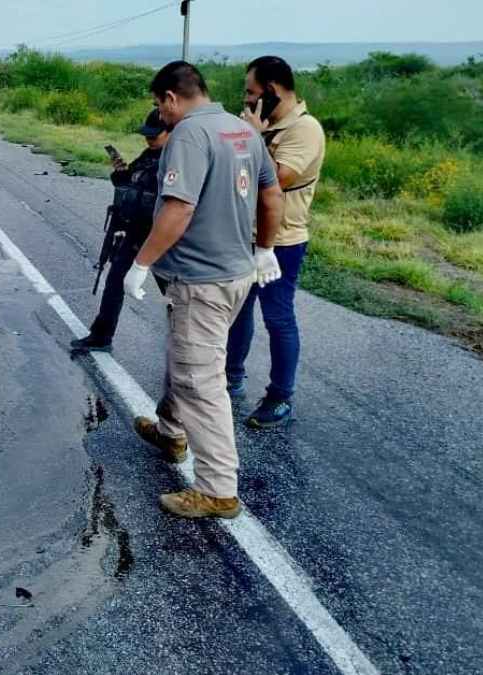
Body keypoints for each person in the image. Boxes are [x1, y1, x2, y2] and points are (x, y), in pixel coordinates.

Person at [124, 61, 285, 519]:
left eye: (160, 105)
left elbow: (178, 209)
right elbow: (271, 194)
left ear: (172, 98)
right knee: (188, 354)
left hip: (201, 281)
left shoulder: (189, 135)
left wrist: (141, 263)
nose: (161, 114)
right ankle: (170, 432)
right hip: (235, 272)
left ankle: (218, 489)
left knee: (200, 378)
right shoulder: (242, 130)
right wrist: (264, 249)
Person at [225, 56, 326, 428]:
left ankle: (280, 397)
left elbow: (278, 178)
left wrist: (252, 137)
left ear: (271, 90)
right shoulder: (262, 124)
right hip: (246, 235)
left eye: (251, 92)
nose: (246, 99)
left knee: (278, 317)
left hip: (282, 241)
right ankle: (230, 377)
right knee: (237, 310)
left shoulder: (304, 129)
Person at [70, 109, 170, 352]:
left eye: (154, 135)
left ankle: (184, 342)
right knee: (115, 280)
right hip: (135, 228)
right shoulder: (148, 154)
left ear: (170, 132)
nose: (148, 139)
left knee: (174, 292)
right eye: (147, 135)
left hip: (161, 233)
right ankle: (101, 336)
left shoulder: (177, 157)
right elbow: (128, 183)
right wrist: (121, 172)